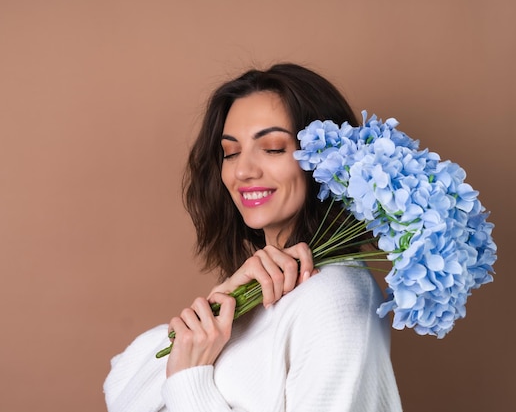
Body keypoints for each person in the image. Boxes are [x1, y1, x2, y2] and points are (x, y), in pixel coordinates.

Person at [103, 63, 403, 411]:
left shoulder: (335, 300)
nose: (243, 170)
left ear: (330, 162)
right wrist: (221, 303)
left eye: (273, 147)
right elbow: (120, 390)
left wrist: (189, 381)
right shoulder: (250, 292)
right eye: (231, 152)